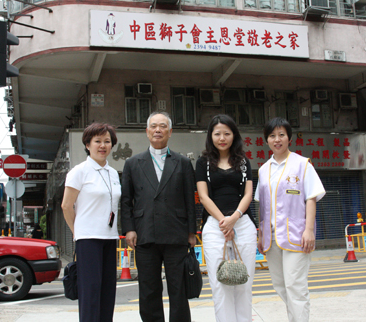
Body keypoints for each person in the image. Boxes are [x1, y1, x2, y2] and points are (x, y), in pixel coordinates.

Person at [121, 111, 197, 322]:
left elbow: (189, 199)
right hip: (145, 233)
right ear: (147, 132)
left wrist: (192, 231)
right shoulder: (133, 163)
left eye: (162, 126)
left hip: (176, 233)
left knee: (178, 289)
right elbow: (126, 200)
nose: (158, 130)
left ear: (170, 132)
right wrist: (129, 229)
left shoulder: (182, 162)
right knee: (148, 290)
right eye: (153, 126)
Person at [255, 117, 325, 322]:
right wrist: (260, 234)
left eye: (281, 135)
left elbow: (311, 197)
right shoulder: (263, 170)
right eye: (272, 136)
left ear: (289, 138)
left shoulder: (302, 164)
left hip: (297, 235)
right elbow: (262, 205)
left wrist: (309, 230)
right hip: (271, 237)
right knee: (280, 285)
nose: (277, 140)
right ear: (266, 140)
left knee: (295, 285)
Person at [195, 114, 257, 322]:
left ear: (234, 135)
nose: (222, 138)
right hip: (215, 226)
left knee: (243, 284)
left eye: (227, 133)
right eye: (217, 133)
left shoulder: (243, 162)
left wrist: (235, 217)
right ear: (211, 136)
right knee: (220, 285)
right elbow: (203, 196)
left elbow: (249, 194)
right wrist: (225, 221)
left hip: (243, 224)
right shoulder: (203, 163)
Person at [61, 122, 121, 322]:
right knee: (90, 292)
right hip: (88, 239)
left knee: (107, 291)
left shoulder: (112, 173)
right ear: (87, 144)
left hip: (109, 238)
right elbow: (66, 206)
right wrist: (78, 232)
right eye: (97, 141)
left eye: (107, 141)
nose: (102, 145)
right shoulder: (79, 171)